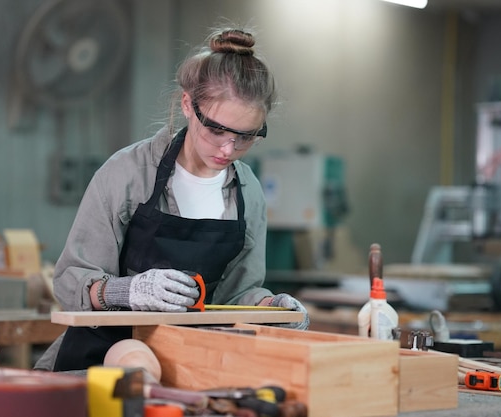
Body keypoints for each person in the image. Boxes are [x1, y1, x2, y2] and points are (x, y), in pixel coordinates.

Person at [35, 27, 309, 372]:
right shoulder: (128, 174)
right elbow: (70, 281)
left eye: (247, 136)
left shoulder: (247, 192)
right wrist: (126, 292)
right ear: (187, 105)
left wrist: (272, 307)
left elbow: (235, 296)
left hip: (188, 364)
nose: (229, 149)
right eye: (216, 130)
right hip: (100, 360)